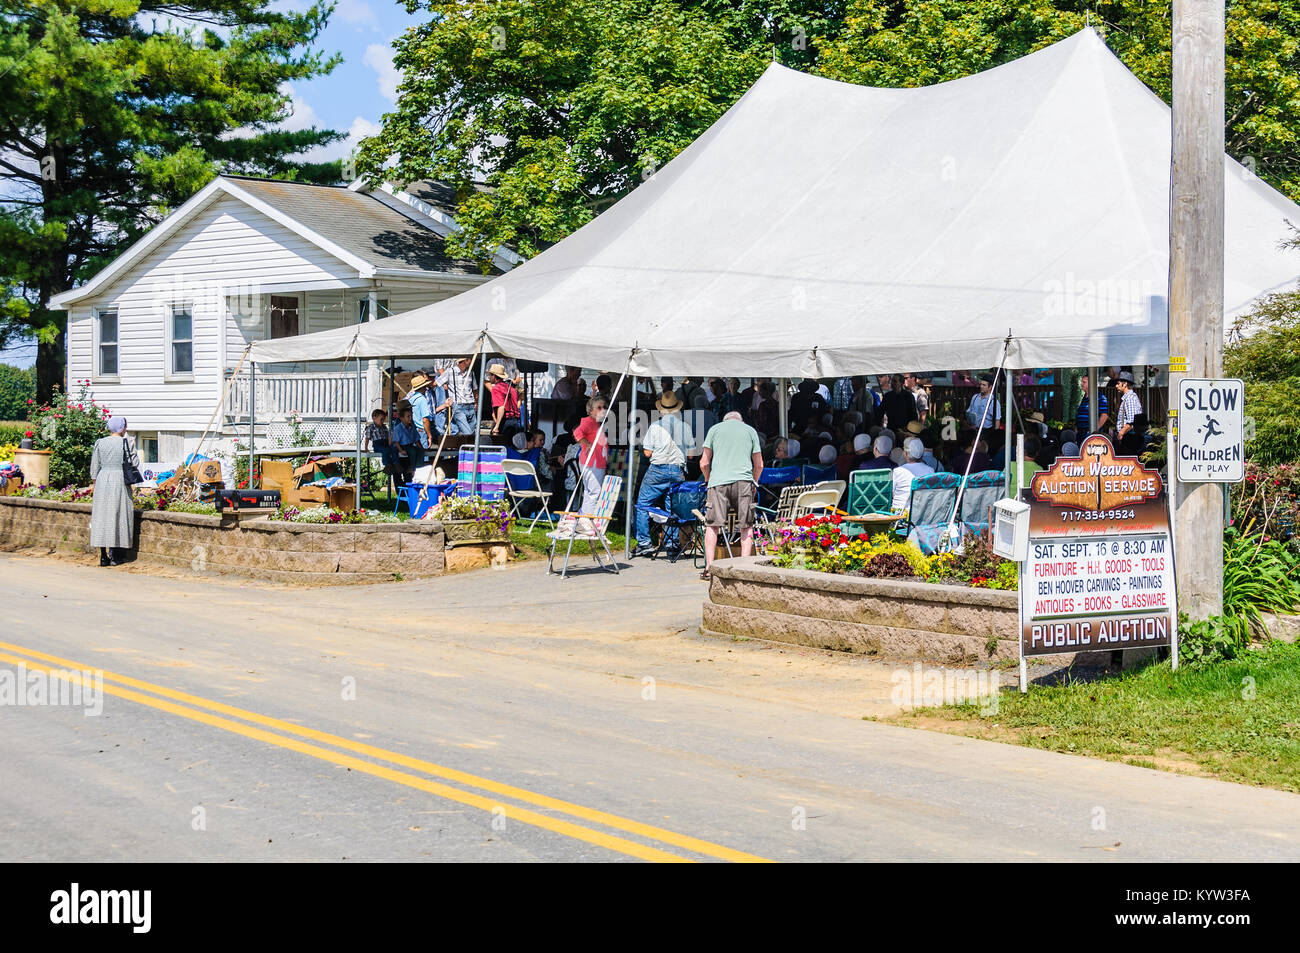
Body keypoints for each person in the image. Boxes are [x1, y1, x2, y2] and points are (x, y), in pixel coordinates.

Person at [699, 411, 763, 579]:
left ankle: (709, 567)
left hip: (718, 482)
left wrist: (708, 480)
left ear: (724, 420)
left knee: (712, 524)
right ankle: (744, 567)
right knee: (746, 524)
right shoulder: (750, 431)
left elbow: (704, 463)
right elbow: (759, 465)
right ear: (740, 420)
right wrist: (754, 482)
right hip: (744, 481)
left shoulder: (714, 430)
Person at [632, 392, 689, 556]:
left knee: (642, 504)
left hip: (658, 469)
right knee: (673, 508)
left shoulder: (655, 426)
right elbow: (691, 454)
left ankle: (644, 543)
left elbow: (648, 453)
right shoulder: (684, 426)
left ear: (661, 409)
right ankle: (672, 543)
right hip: (677, 470)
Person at [89, 416, 141, 566]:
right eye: (125, 427)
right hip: (120, 479)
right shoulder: (127, 443)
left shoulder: (100, 442)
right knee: (119, 515)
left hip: (102, 479)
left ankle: (103, 555)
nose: (126, 429)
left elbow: (94, 467)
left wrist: (95, 484)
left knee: (102, 516)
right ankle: (117, 555)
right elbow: (135, 463)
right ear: (121, 428)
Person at [572, 395, 609, 517]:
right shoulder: (589, 421)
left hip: (594, 461)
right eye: (599, 407)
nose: (602, 409)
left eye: (604, 407)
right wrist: (586, 443)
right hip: (593, 462)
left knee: (589, 492)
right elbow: (577, 432)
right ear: (590, 410)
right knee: (595, 491)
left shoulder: (596, 423)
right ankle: (588, 519)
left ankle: (584, 515)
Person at [891, 437, 935, 513]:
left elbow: (892, 493)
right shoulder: (930, 471)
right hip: (921, 514)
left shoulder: (898, 471)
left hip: (899, 516)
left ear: (905, 454)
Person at [436, 356, 479, 435]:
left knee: (472, 433)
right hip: (458, 406)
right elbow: (437, 383)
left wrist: (476, 402)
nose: (472, 361)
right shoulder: (450, 372)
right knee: (467, 433)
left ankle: (464, 446)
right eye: (470, 359)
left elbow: (475, 389)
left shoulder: (471, 373)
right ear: (464, 361)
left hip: (471, 406)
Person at [488, 363, 523, 440]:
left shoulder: (496, 388)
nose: (489, 377)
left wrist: (496, 426)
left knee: (498, 447)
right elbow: (517, 405)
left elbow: (501, 407)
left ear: (494, 376)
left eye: (490, 375)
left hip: (504, 422)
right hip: (514, 421)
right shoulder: (512, 389)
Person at [406, 373, 438, 452]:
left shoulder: (411, 399)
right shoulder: (422, 399)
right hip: (421, 430)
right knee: (423, 454)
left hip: (413, 429)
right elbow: (425, 419)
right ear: (423, 387)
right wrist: (429, 435)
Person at [364, 409, 399, 477]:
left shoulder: (384, 427)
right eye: (381, 419)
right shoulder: (371, 427)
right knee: (385, 450)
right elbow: (367, 438)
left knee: (394, 449)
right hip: (377, 445)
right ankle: (387, 464)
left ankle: (396, 463)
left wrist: (390, 439)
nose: (382, 421)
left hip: (385, 443)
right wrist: (366, 448)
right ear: (374, 418)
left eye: (383, 419)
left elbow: (388, 438)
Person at [391, 407, 422, 483]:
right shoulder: (398, 428)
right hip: (402, 446)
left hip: (410, 445)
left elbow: (417, 440)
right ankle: (412, 467)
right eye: (408, 416)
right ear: (401, 418)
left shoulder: (412, 428)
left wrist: (421, 448)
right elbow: (396, 441)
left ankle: (416, 468)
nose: (410, 418)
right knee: (412, 451)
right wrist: (401, 450)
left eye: (411, 416)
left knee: (419, 451)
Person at [1111, 371, 1143, 443]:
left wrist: (1121, 433)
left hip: (1129, 437)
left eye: (1118, 383)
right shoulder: (1128, 398)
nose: (1116, 386)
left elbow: (1132, 421)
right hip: (1128, 436)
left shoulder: (1130, 398)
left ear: (1125, 384)